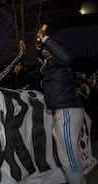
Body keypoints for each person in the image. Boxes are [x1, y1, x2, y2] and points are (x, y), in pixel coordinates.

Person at [36, 28, 86, 184]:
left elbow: (65, 56)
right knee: (70, 156)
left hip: (67, 110)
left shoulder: (59, 59)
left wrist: (45, 38)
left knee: (68, 158)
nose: (43, 49)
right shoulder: (51, 65)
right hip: (64, 110)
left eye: (46, 47)